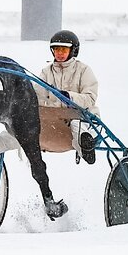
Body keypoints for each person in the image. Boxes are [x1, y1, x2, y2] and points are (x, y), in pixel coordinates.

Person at [37, 29, 99, 164]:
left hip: (81, 117)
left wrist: (69, 96)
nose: (59, 53)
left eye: (64, 50)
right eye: (56, 49)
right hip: (54, 123)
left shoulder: (83, 70)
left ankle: (85, 147)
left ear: (73, 51)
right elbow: (38, 96)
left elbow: (90, 98)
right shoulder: (46, 72)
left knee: (77, 124)